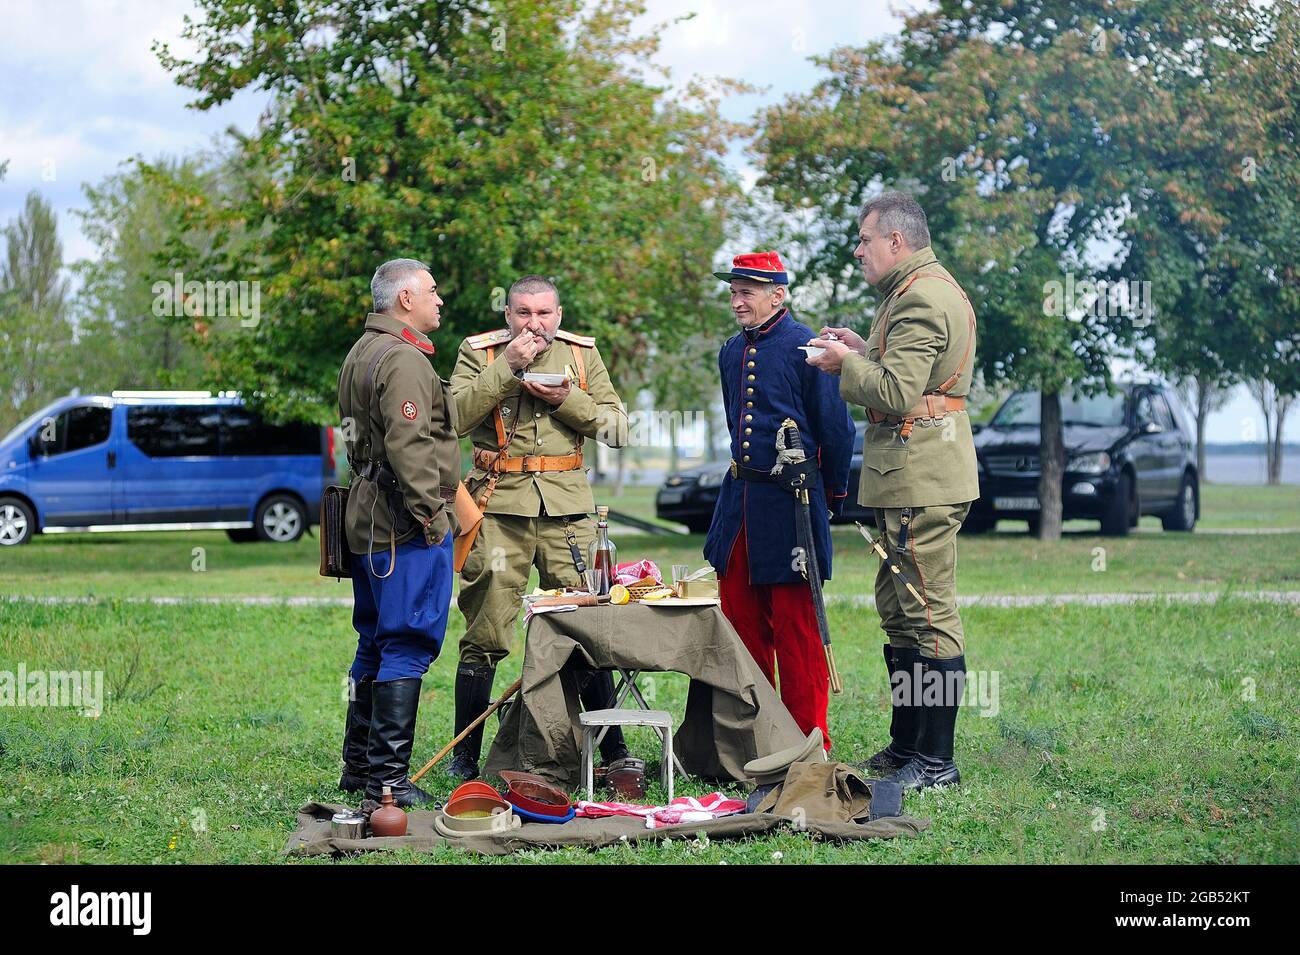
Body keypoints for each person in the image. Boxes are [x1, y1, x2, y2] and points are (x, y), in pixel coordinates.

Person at [805, 192, 979, 790]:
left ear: (896, 241)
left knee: (928, 614)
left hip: (922, 478)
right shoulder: (912, 292)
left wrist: (840, 366)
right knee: (903, 614)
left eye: (864, 239)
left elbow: (898, 393)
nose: (858, 250)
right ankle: (909, 748)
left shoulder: (921, 299)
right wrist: (859, 350)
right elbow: (905, 374)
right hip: (910, 475)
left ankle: (936, 760)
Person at [446, 275, 632, 781]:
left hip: (567, 513)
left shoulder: (580, 356)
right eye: (523, 313)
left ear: (559, 314)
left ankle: (612, 749)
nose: (534, 324)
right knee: (485, 632)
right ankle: (465, 756)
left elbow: (617, 429)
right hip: (498, 509)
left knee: (586, 628)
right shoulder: (481, 354)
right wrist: (508, 369)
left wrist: (567, 399)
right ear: (507, 315)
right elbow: (453, 419)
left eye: (544, 313)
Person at [704, 251, 854, 752]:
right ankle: (756, 738)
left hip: (792, 505)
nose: (737, 300)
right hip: (741, 504)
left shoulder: (808, 348)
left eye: (747, 291)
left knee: (797, 630)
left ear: (778, 294)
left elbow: (835, 428)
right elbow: (734, 424)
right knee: (741, 626)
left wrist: (828, 496)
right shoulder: (730, 351)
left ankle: (809, 740)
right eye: (733, 291)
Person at [336, 258, 461, 806]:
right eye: (432, 291)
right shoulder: (405, 359)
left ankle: (360, 771)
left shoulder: (361, 350)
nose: (440, 300)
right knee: (407, 641)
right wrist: (433, 519)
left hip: (367, 520)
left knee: (375, 639)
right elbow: (411, 449)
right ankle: (386, 782)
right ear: (405, 299)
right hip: (403, 526)